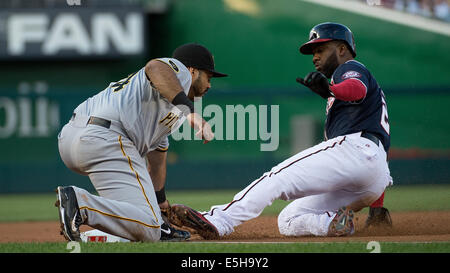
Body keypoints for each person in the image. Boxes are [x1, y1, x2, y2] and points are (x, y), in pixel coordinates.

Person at [169, 22, 393, 239]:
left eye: (321, 49)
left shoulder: (350, 67)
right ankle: (332, 223)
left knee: (276, 178)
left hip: (355, 151)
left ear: (342, 49)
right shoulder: (361, 99)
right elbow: (374, 153)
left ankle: (220, 220)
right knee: (289, 219)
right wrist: (376, 205)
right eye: (314, 51)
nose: (315, 56)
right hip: (373, 177)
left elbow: (356, 89)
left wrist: (331, 89)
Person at [55, 43, 227, 242]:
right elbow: (155, 67)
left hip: (76, 140)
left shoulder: (167, 108)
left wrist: (161, 205)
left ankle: (86, 236)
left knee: (137, 220)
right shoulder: (179, 72)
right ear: (192, 70)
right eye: (208, 77)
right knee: (151, 226)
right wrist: (191, 112)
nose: (209, 85)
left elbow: (157, 161)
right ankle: (81, 205)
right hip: (106, 138)